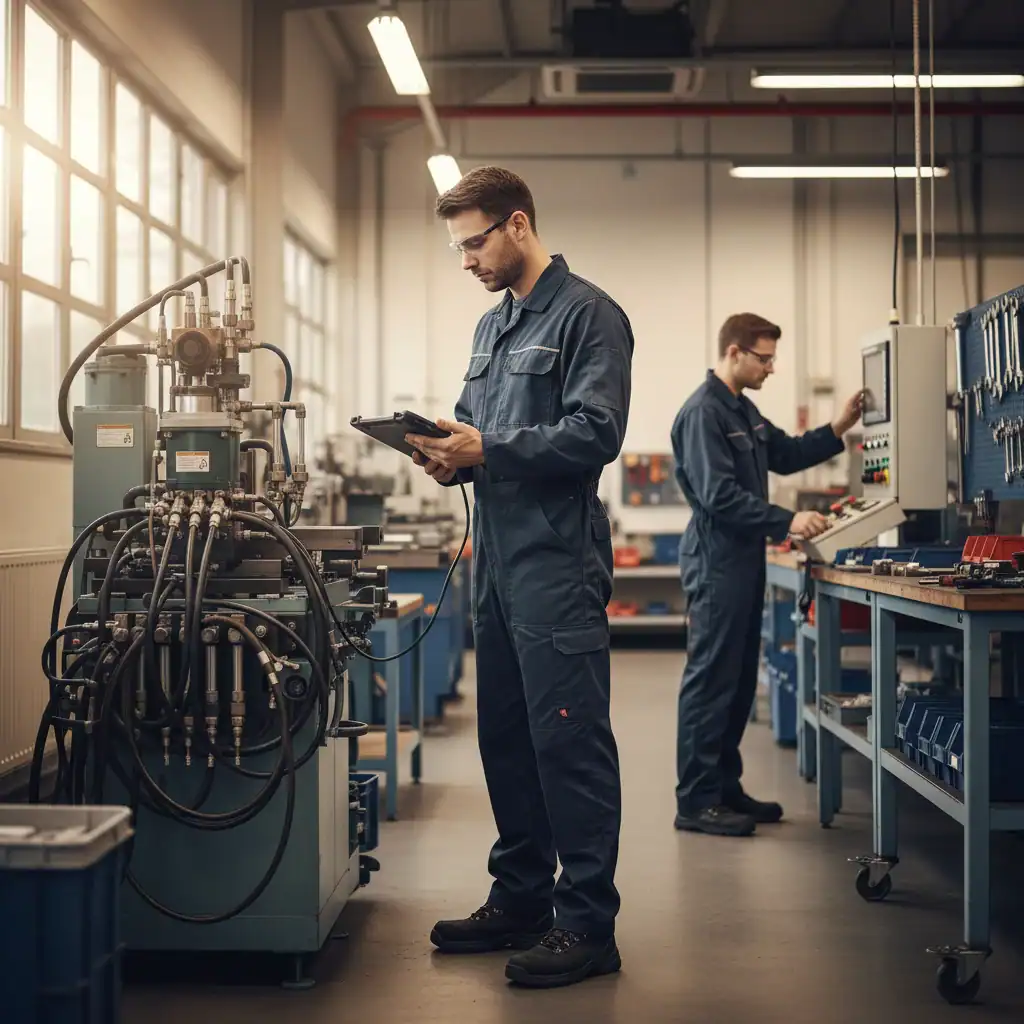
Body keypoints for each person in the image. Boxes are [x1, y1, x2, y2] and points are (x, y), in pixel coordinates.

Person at [405, 166, 633, 989]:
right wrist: (450, 458)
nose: (466, 259)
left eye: (474, 242)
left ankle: (587, 924)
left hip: (556, 564)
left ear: (519, 224)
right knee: (505, 736)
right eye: (458, 246)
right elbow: (486, 435)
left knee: (568, 740)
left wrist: (489, 450)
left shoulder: (588, 315)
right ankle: (522, 897)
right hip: (498, 564)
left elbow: (595, 433)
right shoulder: (491, 326)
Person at [670, 313, 863, 837]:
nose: (772, 368)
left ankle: (724, 787)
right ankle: (696, 801)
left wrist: (838, 428)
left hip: (743, 559)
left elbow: (786, 452)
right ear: (735, 353)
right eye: (765, 357)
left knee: (734, 682)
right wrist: (787, 519)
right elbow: (718, 496)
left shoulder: (742, 410)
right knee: (711, 681)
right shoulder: (703, 414)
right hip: (716, 564)